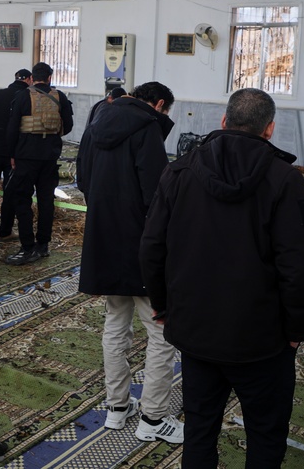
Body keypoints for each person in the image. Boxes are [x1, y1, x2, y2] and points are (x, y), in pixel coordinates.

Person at [140, 88, 304, 468]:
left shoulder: (179, 171)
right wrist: (296, 328)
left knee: (200, 429)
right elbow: (299, 265)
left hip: (197, 330)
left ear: (224, 121)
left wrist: (163, 307)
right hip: (262, 336)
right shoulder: (284, 178)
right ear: (269, 129)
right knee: (265, 434)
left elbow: (152, 247)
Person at [77, 81, 183, 444]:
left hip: (104, 240)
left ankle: (117, 408)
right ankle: (153, 417)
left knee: (115, 324)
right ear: (158, 104)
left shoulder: (97, 120)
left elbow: (83, 179)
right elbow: (157, 195)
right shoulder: (147, 127)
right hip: (141, 246)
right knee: (160, 332)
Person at [4, 62, 74, 266]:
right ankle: (43, 245)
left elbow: (12, 128)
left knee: (22, 200)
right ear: (50, 77)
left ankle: (27, 247)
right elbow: (68, 126)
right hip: (50, 157)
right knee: (46, 201)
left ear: (32, 78)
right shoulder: (60, 97)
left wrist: (12, 154)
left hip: (26, 156)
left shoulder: (22, 96)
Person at [0, 68, 32, 240]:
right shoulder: (27, 98)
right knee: (10, 193)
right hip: (15, 154)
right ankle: (5, 231)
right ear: (29, 79)